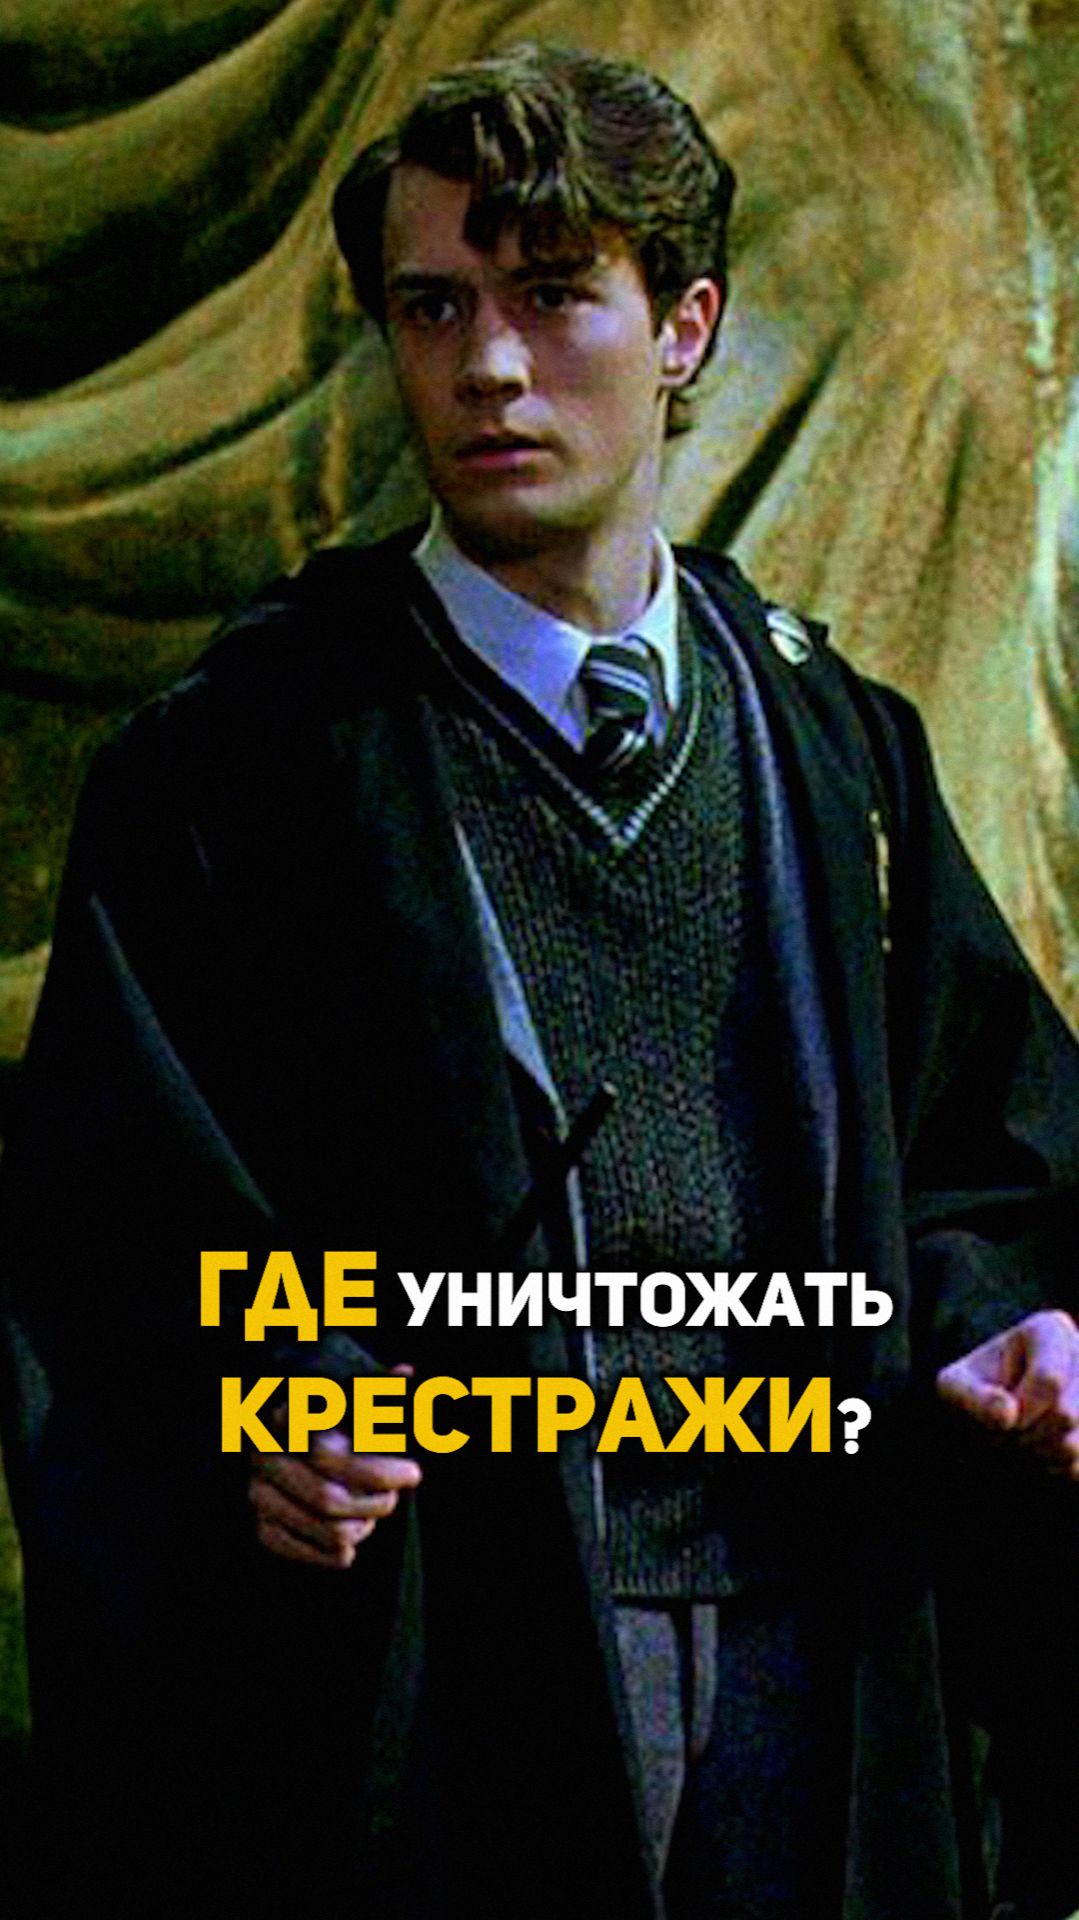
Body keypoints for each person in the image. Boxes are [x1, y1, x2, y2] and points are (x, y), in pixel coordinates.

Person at [2, 39, 1079, 1920]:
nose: (487, 366)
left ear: (686, 327)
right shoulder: (245, 768)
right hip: (449, 1672)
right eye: (434, 307)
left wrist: (1005, 1328)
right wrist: (269, 1403)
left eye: (554, 294)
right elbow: (104, 1243)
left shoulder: (835, 746)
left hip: (821, 1638)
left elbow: (983, 1158)